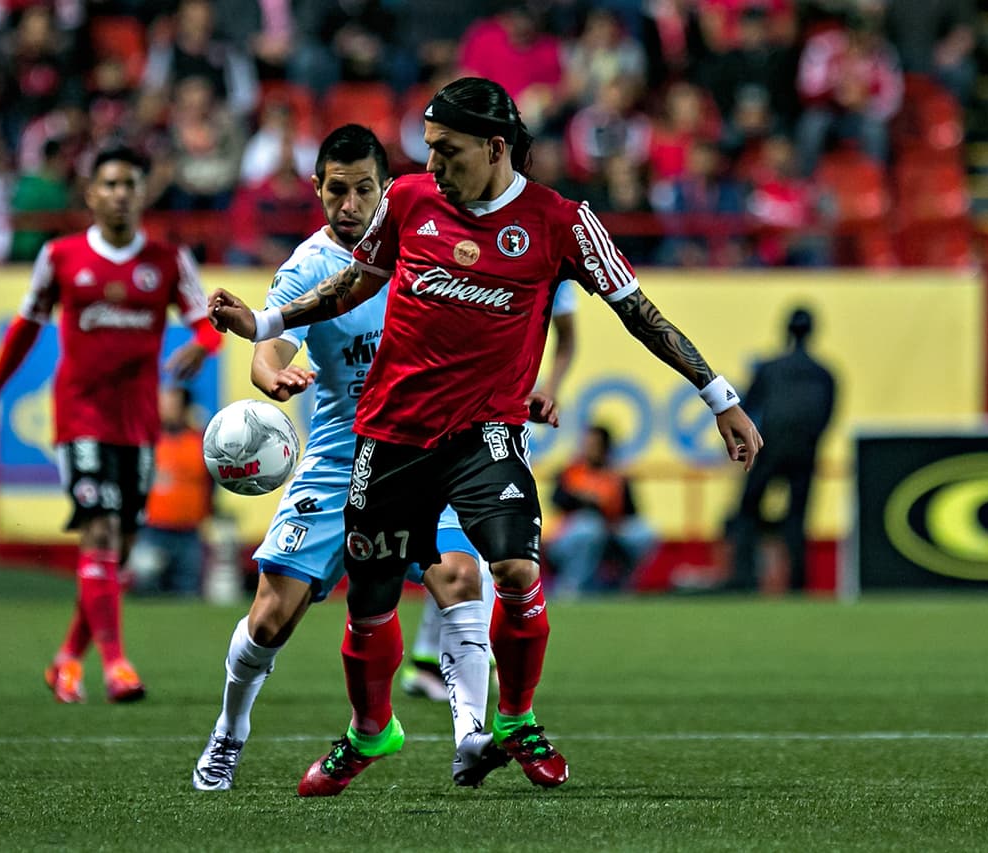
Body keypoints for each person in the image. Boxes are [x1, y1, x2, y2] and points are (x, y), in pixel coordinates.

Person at [209, 76, 763, 796]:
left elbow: (640, 312)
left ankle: (513, 719)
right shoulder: (408, 202)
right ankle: (370, 730)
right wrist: (269, 325)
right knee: (370, 603)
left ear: (496, 147)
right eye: (428, 149)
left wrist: (719, 396)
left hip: (483, 436)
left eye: (447, 151)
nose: (432, 166)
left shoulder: (562, 221)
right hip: (389, 435)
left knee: (515, 574)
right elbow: (351, 285)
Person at [192, 124, 534, 794]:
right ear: (317, 190)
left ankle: (470, 734)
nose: (349, 204)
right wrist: (271, 376)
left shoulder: (430, 248)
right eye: (336, 190)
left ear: (386, 189)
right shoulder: (307, 268)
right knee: (269, 617)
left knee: (461, 577)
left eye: (364, 190)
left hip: (424, 448)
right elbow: (272, 343)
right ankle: (229, 733)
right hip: (339, 453)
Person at [0, 144, 222, 704]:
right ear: (90, 195)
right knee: (101, 531)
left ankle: (65, 661)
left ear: (142, 193)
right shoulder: (60, 257)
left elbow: (206, 327)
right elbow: (23, 332)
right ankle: (116, 665)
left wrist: (203, 347)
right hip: (79, 415)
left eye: (130, 184)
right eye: (109, 184)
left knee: (118, 550)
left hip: (138, 422)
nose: (120, 194)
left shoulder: (168, 260)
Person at [401, 279, 576, 701]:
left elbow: (567, 335)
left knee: (473, 556)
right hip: (444, 417)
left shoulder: (552, 254)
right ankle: (461, 667)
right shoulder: (457, 246)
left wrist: (548, 388)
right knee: (468, 555)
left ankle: (433, 660)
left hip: (502, 423)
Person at [727, 307, 835, 593]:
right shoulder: (824, 374)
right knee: (797, 518)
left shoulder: (770, 368)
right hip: (805, 452)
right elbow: (827, 417)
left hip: (770, 448)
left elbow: (746, 410)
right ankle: (797, 584)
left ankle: (744, 578)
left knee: (747, 511)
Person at [548, 423, 658, 597]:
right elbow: (556, 501)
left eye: (594, 444)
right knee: (589, 528)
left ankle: (624, 584)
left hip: (610, 533)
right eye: (586, 444)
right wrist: (582, 499)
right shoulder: (571, 472)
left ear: (605, 447)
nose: (588, 449)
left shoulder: (616, 475)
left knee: (644, 533)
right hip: (569, 538)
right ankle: (571, 587)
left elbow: (631, 512)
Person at [128, 386, 213, 596]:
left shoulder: (201, 442)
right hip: (153, 531)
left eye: (171, 405)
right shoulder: (148, 442)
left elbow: (212, 485)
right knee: (146, 589)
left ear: (185, 408)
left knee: (187, 592)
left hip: (189, 533)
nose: (164, 409)